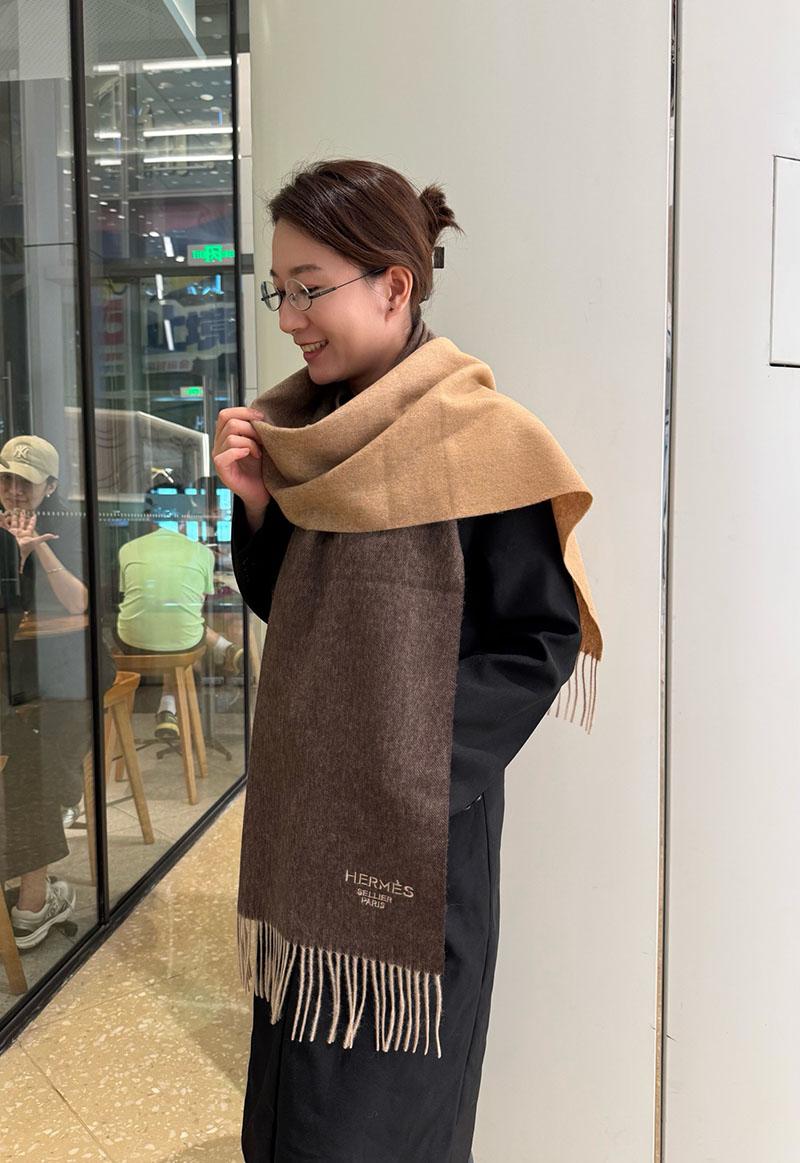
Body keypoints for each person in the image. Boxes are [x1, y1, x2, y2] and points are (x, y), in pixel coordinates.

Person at [213, 159, 603, 1163]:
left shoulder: (486, 443)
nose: (289, 318)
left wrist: (400, 762)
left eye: (309, 289)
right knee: (295, 1108)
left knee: (379, 1122)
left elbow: (539, 638)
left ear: (393, 284)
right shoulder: (306, 435)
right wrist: (258, 506)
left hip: (412, 839)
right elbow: (297, 613)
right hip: (307, 829)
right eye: (279, 290)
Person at [0, 436, 111, 949]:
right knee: (25, 758)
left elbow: (80, 603)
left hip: (64, 667)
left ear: (50, 486)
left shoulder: (68, 526)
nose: (13, 489)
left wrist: (35, 549)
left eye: (25, 481)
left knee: (42, 757)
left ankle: (35, 883)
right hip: (15, 672)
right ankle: (31, 887)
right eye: (6, 478)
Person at [114, 493, 242, 741]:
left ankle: (167, 710)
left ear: (149, 518)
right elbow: (197, 604)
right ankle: (225, 647)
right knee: (181, 629)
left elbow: (128, 592)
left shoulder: (127, 549)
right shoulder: (202, 552)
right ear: (185, 519)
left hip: (131, 642)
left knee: (173, 627)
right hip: (184, 638)